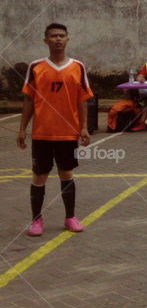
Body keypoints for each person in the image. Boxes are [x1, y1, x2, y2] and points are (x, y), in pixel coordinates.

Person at [17, 23, 94, 236]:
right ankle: (36, 220)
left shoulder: (77, 67)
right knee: (39, 176)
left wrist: (84, 127)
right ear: (46, 40)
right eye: (53, 36)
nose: (58, 39)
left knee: (66, 174)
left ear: (67, 39)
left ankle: (70, 217)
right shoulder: (36, 67)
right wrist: (22, 129)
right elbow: (28, 100)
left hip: (67, 133)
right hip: (42, 132)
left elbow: (82, 99)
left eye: (61, 35)